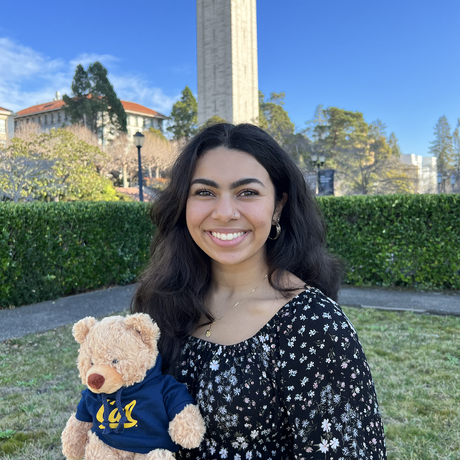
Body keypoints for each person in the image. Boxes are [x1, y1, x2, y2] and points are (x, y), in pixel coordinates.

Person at [132, 123, 386, 459]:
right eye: (205, 192)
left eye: (247, 192)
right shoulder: (163, 298)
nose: (224, 213)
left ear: (278, 205)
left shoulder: (314, 325)